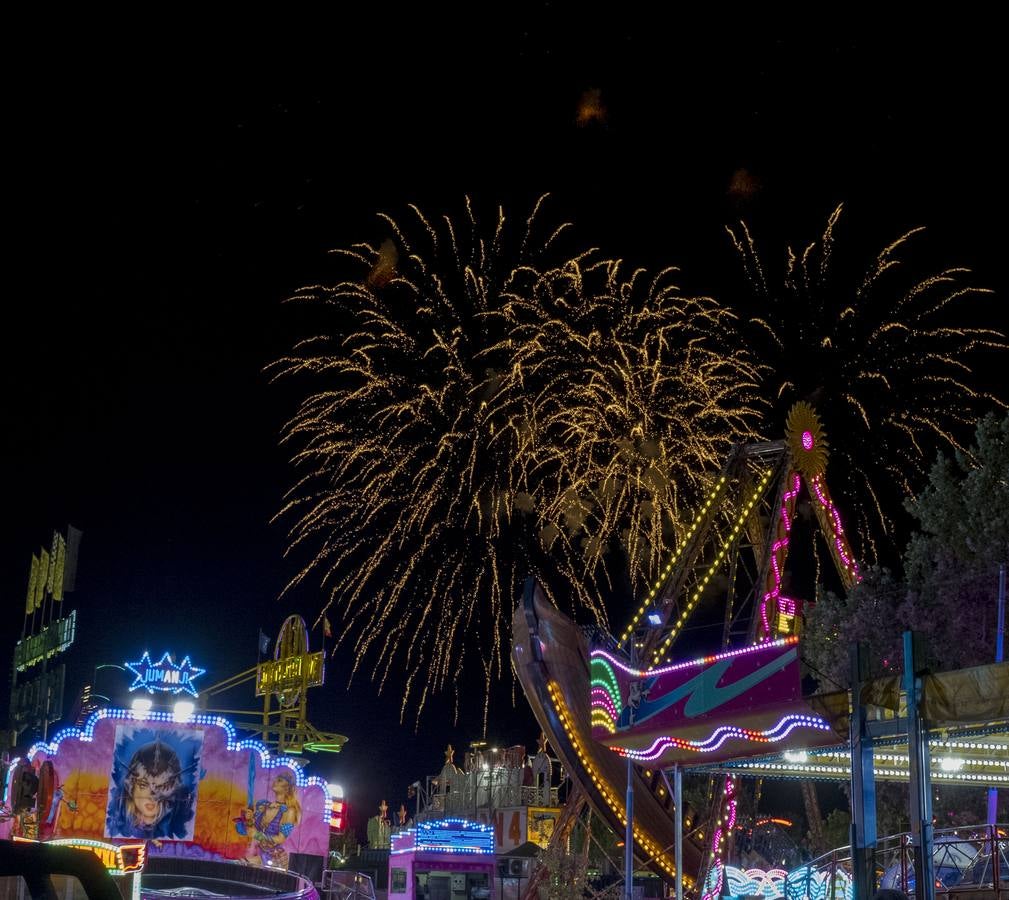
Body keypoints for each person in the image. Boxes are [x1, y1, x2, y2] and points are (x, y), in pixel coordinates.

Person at [108, 740, 192, 839]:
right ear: (131, 785)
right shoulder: (116, 821)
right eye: (143, 785)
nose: (152, 795)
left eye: (162, 786)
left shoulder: (180, 824)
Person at [236, 773, 302, 867]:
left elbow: (280, 839)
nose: (275, 782)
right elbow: (252, 830)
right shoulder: (265, 806)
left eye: (280, 780)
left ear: (287, 788)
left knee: (242, 865)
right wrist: (249, 819)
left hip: (276, 858)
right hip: (261, 854)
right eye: (276, 779)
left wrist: (258, 835)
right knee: (240, 865)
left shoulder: (288, 811)